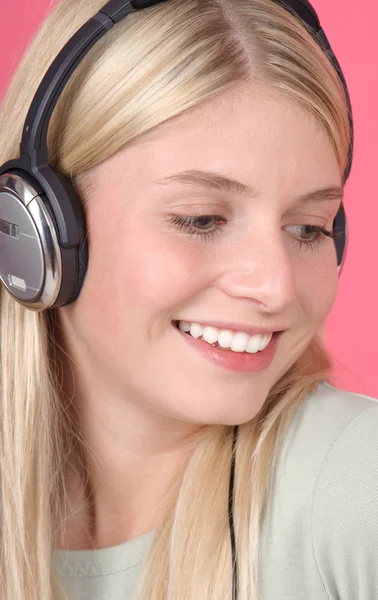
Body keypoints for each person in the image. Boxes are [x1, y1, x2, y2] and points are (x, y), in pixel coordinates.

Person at [0, 0, 377, 599]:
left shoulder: (359, 484)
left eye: (308, 228)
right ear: (37, 231)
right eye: (201, 220)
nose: (276, 287)